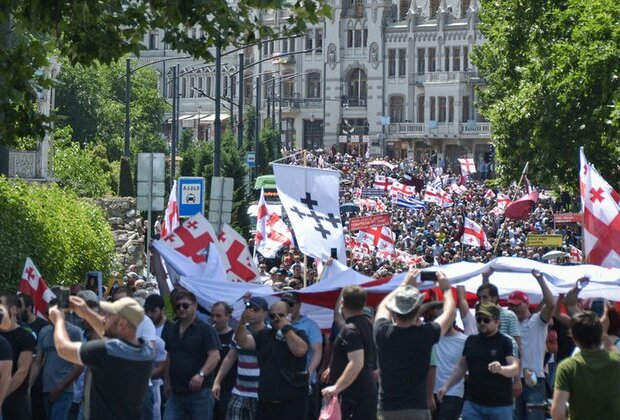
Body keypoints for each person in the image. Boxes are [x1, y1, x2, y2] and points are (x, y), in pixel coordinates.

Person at [49, 295, 155, 419]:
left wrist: (59, 321)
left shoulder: (106, 351)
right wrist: (85, 311)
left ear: (122, 323)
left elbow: (63, 349)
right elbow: (110, 333)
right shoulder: (147, 351)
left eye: (108, 316)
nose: (103, 318)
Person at [373, 270, 456, 420]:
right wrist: (446, 289)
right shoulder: (425, 334)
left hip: (387, 410)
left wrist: (404, 284)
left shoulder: (382, 332)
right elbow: (449, 315)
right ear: (418, 311)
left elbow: (382, 308)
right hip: (416, 410)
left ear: (394, 310)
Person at [437, 303, 520, 419]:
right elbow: (461, 367)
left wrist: (501, 369)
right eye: (479, 319)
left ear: (497, 322)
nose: (482, 323)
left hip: (500, 405)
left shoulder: (505, 341)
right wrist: (446, 386)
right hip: (473, 404)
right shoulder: (471, 340)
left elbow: (515, 368)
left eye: (486, 320)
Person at [234, 298, 309, 419]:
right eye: (273, 315)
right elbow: (242, 342)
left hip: (292, 402)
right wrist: (242, 323)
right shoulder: (264, 335)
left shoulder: (298, 333)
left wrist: (285, 328)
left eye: (280, 315)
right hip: (266, 403)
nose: (276, 319)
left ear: (289, 315)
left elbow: (300, 351)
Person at [550, 308, 620, 419]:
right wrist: (604, 334)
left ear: (573, 337)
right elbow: (613, 350)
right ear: (599, 334)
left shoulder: (568, 367)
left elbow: (557, 413)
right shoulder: (616, 362)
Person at [163, 290, 221, 420]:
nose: (181, 309)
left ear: (194, 306)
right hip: (176, 392)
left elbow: (214, 355)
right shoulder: (172, 329)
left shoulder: (206, 330)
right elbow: (170, 356)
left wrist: (201, 374)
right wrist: (166, 381)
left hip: (200, 393)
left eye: (185, 305)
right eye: (178, 306)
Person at [322, 285, 376, 420]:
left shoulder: (351, 330)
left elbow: (356, 363)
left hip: (355, 396)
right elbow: (338, 318)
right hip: (363, 393)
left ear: (343, 303)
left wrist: (336, 387)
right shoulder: (367, 324)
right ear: (364, 304)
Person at [508, 269, 555, 420]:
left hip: (534, 380)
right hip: (513, 380)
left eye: (517, 305)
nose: (515, 308)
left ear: (526, 303)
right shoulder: (509, 324)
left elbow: (550, 303)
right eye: (512, 306)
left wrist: (540, 280)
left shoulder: (537, 321)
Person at [213, 296, 269, 420]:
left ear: (265, 313)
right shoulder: (240, 331)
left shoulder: (271, 333)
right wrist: (217, 381)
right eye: (249, 308)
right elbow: (230, 357)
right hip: (239, 391)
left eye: (255, 309)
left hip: (260, 393)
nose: (251, 312)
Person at [29, 298, 84, 420]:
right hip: (46, 388)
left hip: (65, 390)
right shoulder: (44, 331)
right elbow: (38, 362)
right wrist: (29, 386)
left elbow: (79, 365)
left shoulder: (74, 332)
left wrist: (60, 387)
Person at [281, 291, 323, 420]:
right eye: (284, 304)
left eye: (291, 304)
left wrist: (309, 372)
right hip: (282, 382)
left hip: (305, 383)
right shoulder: (275, 324)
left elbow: (317, 351)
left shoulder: (310, 326)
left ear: (299, 305)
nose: (288, 307)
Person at [0, 293, 36, 419]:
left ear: (14, 310)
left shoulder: (26, 336)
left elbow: (22, 371)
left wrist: (2, 395)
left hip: (15, 401)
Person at [211, 301, 235, 420]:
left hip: (228, 389)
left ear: (228, 317)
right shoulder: (207, 335)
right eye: (213, 315)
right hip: (206, 388)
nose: (215, 319)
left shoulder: (235, 337)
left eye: (219, 316)